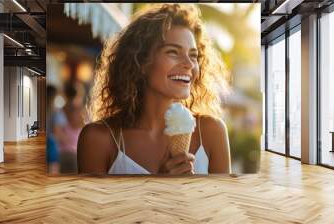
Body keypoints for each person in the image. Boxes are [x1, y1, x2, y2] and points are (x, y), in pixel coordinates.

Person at [77, 3, 231, 174]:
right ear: (141, 62)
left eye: (193, 55)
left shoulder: (211, 132)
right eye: (173, 52)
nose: (189, 64)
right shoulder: (98, 139)